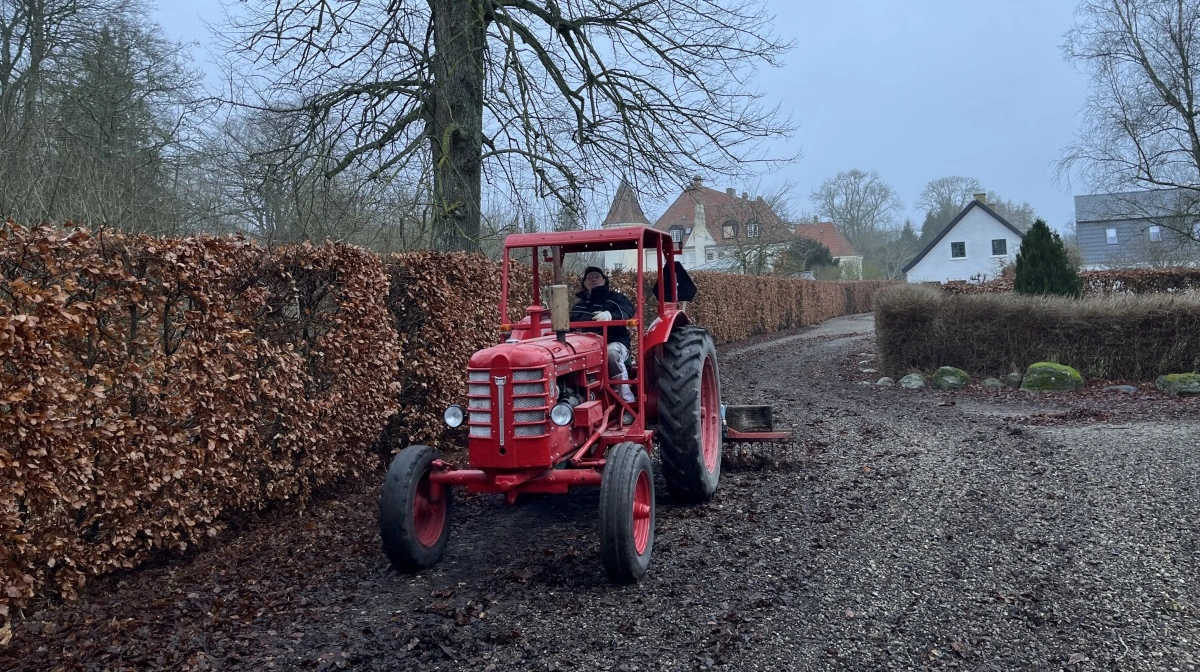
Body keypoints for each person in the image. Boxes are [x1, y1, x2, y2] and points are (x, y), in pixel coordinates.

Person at [571, 266, 637, 404]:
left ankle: (628, 401)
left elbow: (627, 310)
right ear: (584, 282)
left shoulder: (615, 298)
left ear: (604, 280)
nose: (594, 279)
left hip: (613, 342)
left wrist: (610, 315)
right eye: (590, 277)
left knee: (611, 353)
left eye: (597, 276)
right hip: (584, 348)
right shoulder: (578, 307)